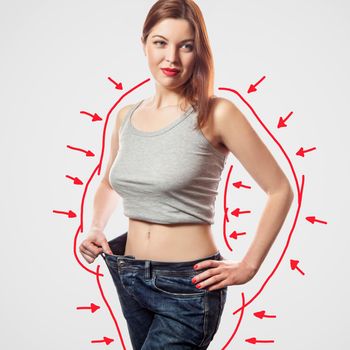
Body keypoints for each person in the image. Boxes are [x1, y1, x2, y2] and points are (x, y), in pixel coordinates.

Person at [79, 0, 294, 349]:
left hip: (188, 286)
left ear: (199, 51)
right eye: (161, 43)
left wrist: (249, 266)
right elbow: (108, 182)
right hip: (128, 274)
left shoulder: (217, 113)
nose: (172, 58)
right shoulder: (126, 116)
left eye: (186, 46)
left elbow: (279, 189)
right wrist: (95, 226)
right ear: (145, 43)